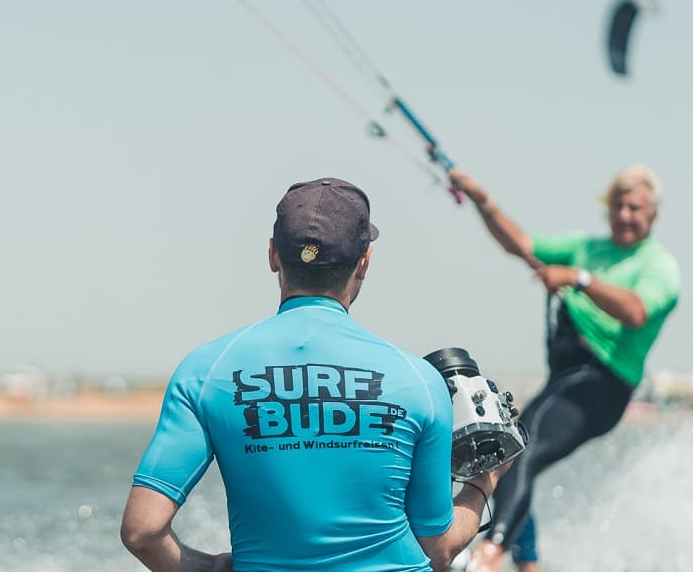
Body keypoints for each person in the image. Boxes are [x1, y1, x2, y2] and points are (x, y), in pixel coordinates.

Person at [120, 177, 512, 572]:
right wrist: (485, 480)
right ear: (364, 262)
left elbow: (143, 531)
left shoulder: (205, 371)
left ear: (273, 255)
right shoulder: (420, 381)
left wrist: (213, 568)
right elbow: (438, 549)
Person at [447, 165, 681, 572]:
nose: (625, 215)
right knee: (508, 453)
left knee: (517, 451)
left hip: (603, 385)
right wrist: (484, 201)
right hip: (564, 381)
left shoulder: (659, 266)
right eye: (618, 206)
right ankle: (528, 564)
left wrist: (579, 278)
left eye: (635, 208)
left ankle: (488, 556)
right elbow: (520, 243)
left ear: (653, 215)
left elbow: (636, 311)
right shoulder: (585, 247)